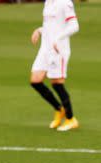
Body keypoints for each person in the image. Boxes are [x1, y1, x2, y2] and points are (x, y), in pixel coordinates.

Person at [29, 0, 80, 132]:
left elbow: (74, 25)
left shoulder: (65, 2)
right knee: (35, 80)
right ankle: (59, 109)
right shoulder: (48, 2)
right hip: (45, 48)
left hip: (58, 49)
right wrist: (39, 31)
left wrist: (58, 38)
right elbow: (50, 26)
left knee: (57, 83)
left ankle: (71, 119)